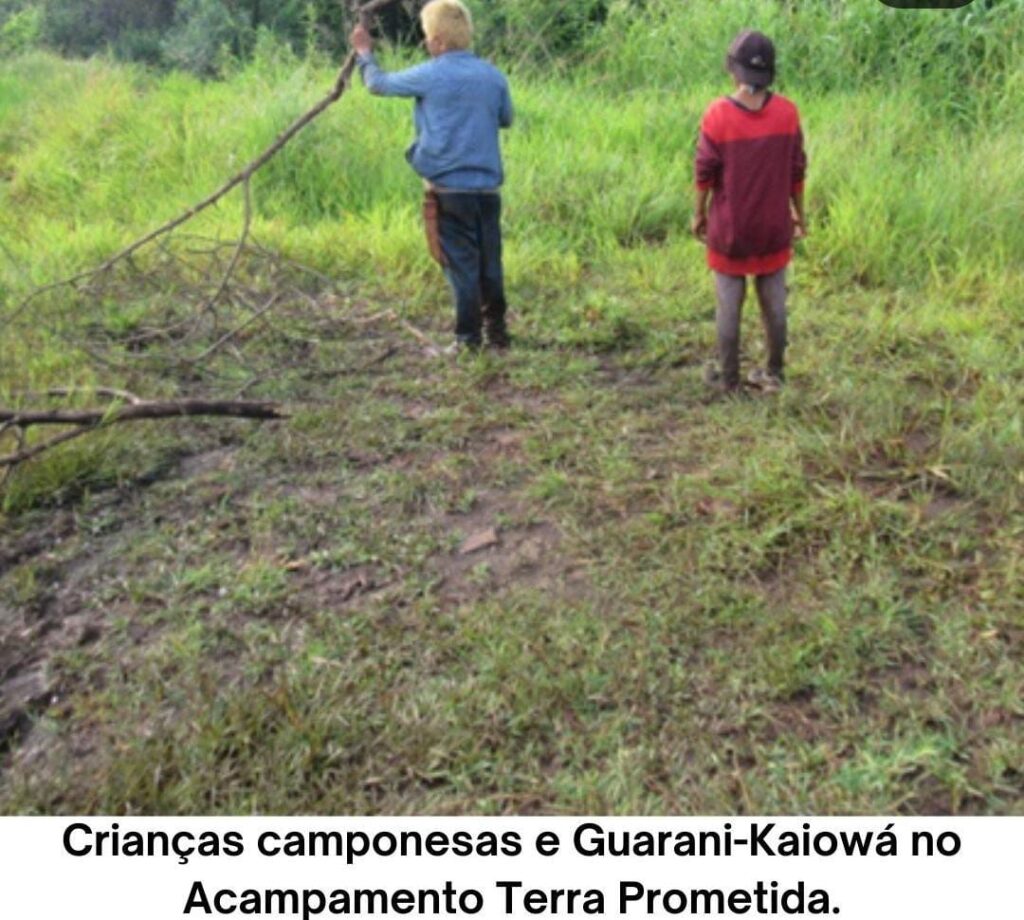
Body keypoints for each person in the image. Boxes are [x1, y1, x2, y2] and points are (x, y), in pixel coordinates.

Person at [350, 0, 513, 351]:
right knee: (489, 262)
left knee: (461, 265)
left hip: (448, 188)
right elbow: (506, 118)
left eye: (427, 37)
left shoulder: (431, 73)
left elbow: (378, 84)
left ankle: (467, 340)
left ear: (438, 41)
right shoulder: (492, 76)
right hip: (487, 189)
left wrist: (365, 53)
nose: (425, 43)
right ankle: (497, 334)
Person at [692, 30, 807, 393]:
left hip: (730, 231)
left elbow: (704, 173)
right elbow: (797, 172)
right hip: (774, 225)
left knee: (729, 306)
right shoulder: (787, 114)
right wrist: (799, 214)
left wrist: (698, 214)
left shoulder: (717, 115)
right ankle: (774, 372)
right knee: (774, 305)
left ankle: (729, 381)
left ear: (733, 70)